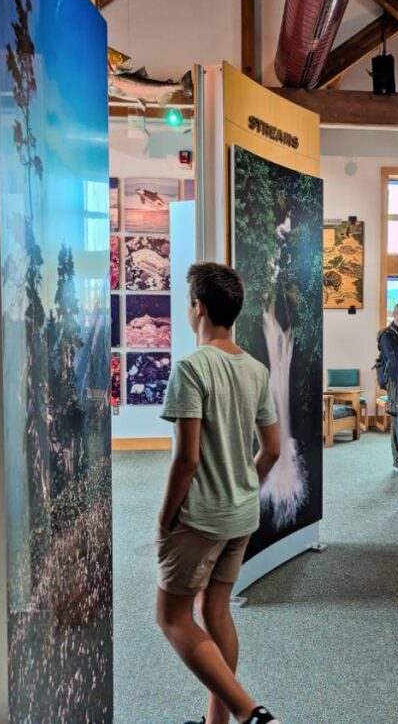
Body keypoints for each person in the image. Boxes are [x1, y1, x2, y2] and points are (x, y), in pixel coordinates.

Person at [156, 262, 282, 724]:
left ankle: (249, 713)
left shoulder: (191, 369)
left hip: (201, 517)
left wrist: (166, 517)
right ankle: (218, 723)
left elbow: (187, 459)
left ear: (199, 307)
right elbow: (271, 450)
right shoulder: (256, 370)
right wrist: (242, 487)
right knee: (216, 611)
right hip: (242, 515)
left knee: (172, 617)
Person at [378, 304, 398, 474]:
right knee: (397, 419)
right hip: (395, 382)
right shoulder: (387, 336)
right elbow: (394, 363)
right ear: (395, 314)